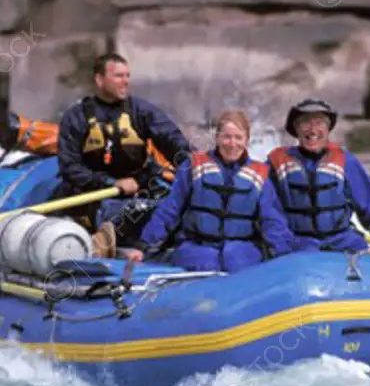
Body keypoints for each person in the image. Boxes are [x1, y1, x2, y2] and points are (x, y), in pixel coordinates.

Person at [53, 52, 192, 253]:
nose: (125, 81)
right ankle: (112, 240)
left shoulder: (142, 111)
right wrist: (111, 183)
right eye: (118, 76)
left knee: (172, 205)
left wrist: (192, 166)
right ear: (100, 80)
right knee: (133, 212)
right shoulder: (77, 117)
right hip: (93, 194)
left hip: (140, 186)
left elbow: (173, 141)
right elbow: (69, 167)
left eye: (127, 75)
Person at [125, 110, 296, 273]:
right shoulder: (193, 165)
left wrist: (284, 256)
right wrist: (143, 245)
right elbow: (170, 209)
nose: (232, 144)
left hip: (242, 255)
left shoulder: (260, 175)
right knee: (201, 262)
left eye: (238, 138)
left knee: (240, 263)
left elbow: (273, 221)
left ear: (247, 140)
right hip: (196, 251)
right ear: (217, 137)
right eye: (227, 137)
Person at [268, 98, 370, 267]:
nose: (313, 129)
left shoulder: (345, 161)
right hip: (300, 244)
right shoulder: (277, 163)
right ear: (296, 128)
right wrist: (281, 249)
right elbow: (268, 213)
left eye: (320, 123)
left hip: (343, 242)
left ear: (328, 128)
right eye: (305, 123)